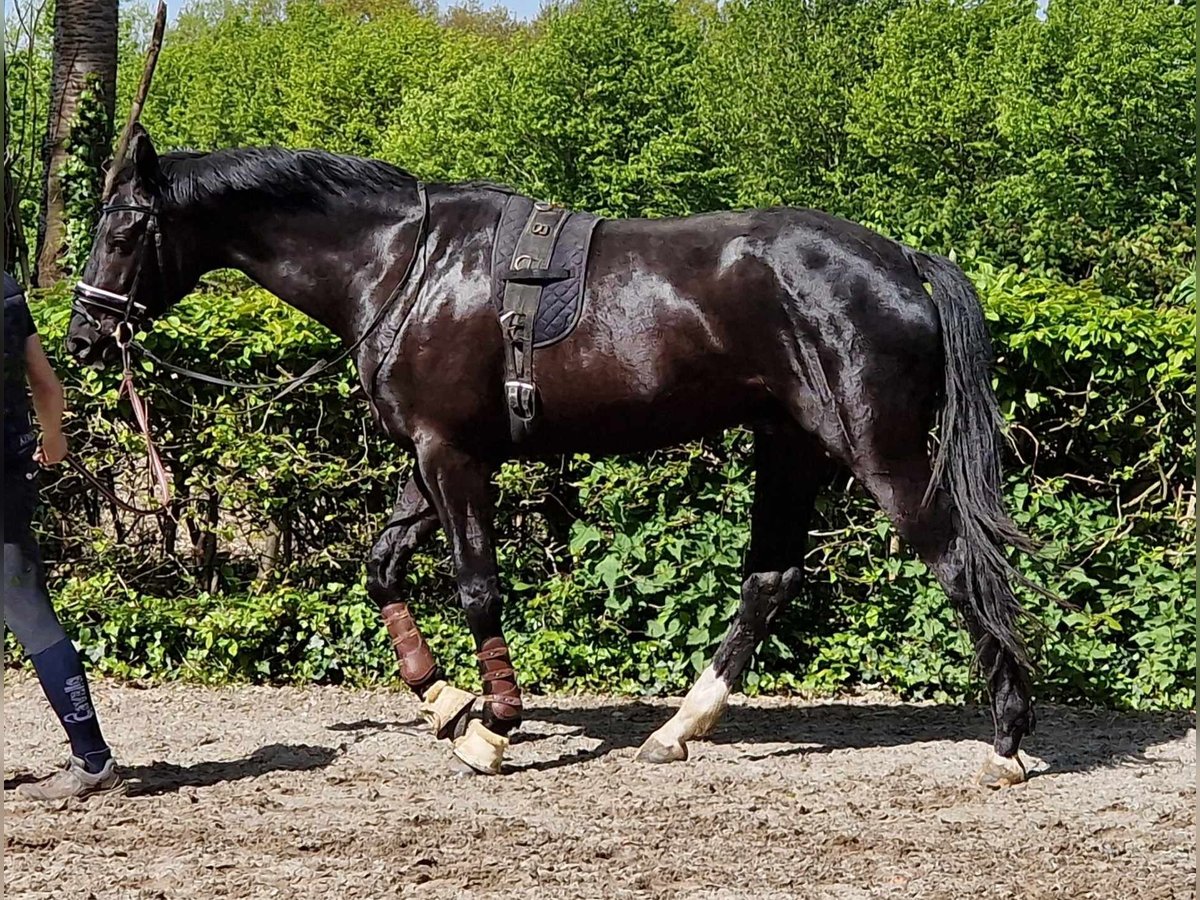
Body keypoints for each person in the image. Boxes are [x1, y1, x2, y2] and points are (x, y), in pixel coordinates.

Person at [4, 270, 121, 800]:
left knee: (28, 612)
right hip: (12, 467)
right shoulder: (5, 287)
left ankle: (93, 758)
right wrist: (53, 439)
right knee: (26, 608)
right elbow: (46, 385)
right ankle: (91, 755)